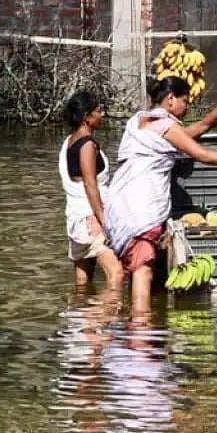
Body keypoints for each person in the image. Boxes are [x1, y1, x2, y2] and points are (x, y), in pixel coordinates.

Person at [104, 77, 217, 314]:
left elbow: (197, 129)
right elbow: (202, 155)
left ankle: (123, 318)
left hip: (119, 202)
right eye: (185, 101)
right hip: (140, 205)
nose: (187, 107)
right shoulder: (166, 126)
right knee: (143, 268)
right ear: (170, 99)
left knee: (132, 265)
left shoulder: (139, 120)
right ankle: (140, 331)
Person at [59, 91, 123, 290]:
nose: (102, 114)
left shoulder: (70, 141)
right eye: (99, 111)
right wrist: (105, 222)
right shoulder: (87, 144)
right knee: (117, 274)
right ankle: (103, 317)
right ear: (87, 117)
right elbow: (90, 185)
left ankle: (81, 319)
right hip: (91, 218)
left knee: (82, 282)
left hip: (76, 218)